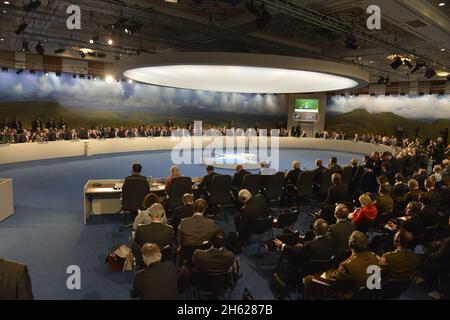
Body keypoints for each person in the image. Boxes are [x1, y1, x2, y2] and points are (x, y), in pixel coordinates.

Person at [303, 231, 378, 300]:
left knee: (309, 279)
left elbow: (333, 280)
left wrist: (327, 273)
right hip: (367, 293)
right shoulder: (374, 257)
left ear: (350, 243)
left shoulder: (346, 265)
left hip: (347, 295)